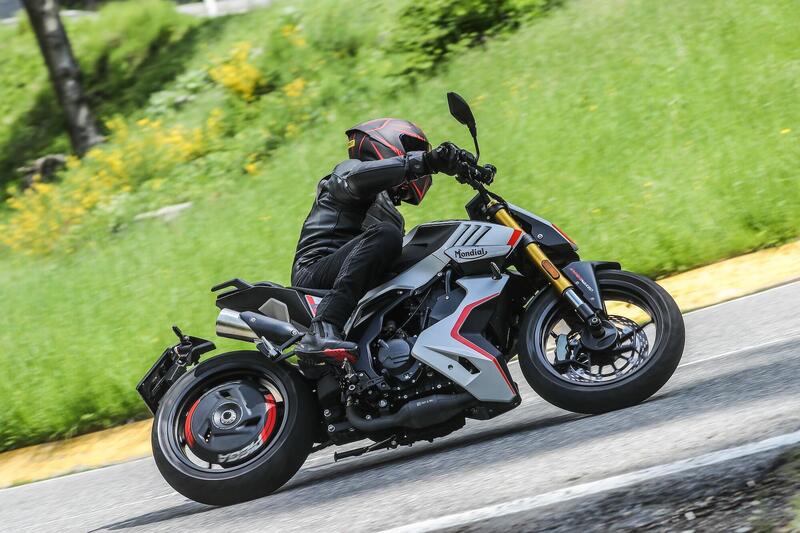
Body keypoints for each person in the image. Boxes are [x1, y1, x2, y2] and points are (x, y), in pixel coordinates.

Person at [291, 118, 460, 363]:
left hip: (348, 274)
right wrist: (424, 162)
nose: (416, 155)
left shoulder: (392, 215)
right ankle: (323, 326)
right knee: (387, 235)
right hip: (314, 270)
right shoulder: (349, 171)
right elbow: (357, 180)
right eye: (411, 150)